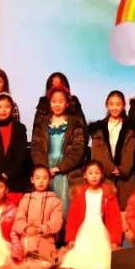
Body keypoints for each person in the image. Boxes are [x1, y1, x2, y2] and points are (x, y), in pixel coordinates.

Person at [31, 85, 87, 218]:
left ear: (67, 103)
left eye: (61, 101)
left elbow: (78, 149)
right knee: (45, 211)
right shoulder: (42, 122)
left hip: (65, 169)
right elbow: (36, 146)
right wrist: (44, 169)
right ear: (49, 103)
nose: (57, 105)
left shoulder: (75, 122)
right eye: (54, 101)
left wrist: (60, 167)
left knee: (65, 209)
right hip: (46, 168)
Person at [59, 161, 122, 269]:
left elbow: (114, 218)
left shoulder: (109, 194)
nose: (94, 176)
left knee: (102, 256)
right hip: (84, 229)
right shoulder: (79, 193)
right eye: (90, 173)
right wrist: (71, 238)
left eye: (97, 173)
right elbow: (72, 218)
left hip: (101, 229)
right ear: (85, 175)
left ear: (102, 175)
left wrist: (115, 240)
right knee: (81, 254)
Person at [89, 90, 135, 210]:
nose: (114, 107)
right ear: (106, 105)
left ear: (124, 106)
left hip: (126, 178)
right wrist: (110, 168)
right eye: (111, 104)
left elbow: (131, 151)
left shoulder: (131, 128)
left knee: (126, 210)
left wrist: (122, 169)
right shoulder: (98, 128)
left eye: (118, 104)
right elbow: (97, 152)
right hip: (105, 176)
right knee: (105, 210)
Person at [12, 165, 64, 269]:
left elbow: (56, 222)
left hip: (46, 237)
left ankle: (46, 257)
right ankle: (30, 256)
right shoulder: (25, 200)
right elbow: (19, 220)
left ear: (49, 180)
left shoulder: (55, 201)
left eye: (44, 178)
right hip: (28, 236)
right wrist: (26, 228)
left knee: (46, 259)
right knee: (28, 246)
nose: (41, 181)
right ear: (32, 180)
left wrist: (41, 229)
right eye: (37, 178)